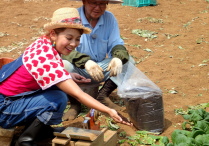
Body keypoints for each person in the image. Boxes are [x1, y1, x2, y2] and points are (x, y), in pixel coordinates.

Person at [0, 7, 131, 146]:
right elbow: (79, 95)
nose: (73, 44)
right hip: (6, 108)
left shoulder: (43, 43)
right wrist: (108, 111)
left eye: (77, 39)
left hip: (10, 98)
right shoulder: (46, 58)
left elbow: (40, 72)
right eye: (69, 38)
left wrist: (68, 75)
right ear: (53, 34)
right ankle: (26, 139)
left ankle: (41, 131)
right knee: (57, 99)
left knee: (56, 92)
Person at [62, 0, 135, 121]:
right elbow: (65, 50)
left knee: (128, 61)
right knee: (64, 65)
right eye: (93, 3)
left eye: (102, 3)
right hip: (78, 69)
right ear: (84, 2)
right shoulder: (73, 18)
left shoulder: (109, 18)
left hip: (100, 68)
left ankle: (103, 96)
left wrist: (117, 57)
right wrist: (85, 62)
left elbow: (116, 42)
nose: (97, 7)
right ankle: (75, 104)